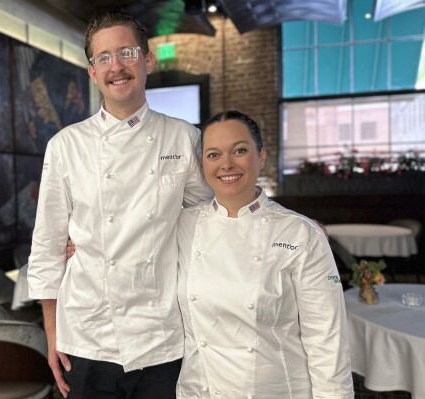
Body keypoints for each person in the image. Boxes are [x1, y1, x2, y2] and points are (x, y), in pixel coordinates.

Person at [26, 9, 213, 399]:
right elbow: (46, 244)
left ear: (148, 60)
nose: (117, 67)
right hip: (86, 334)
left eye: (127, 53)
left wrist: (283, 222)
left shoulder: (184, 139)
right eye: (104, 58)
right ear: (92, 72)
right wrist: (52, 330)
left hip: (161, 333)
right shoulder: (66, 146)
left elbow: (212, 218)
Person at [176, 110, 354, 398]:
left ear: (261, 157)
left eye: (240, 150)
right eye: (213, 155)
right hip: (199, 389)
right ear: (202, 165)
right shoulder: (182, 225)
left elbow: (326, 339)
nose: (226, 164)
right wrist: (74, 246)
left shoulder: (302, 234)